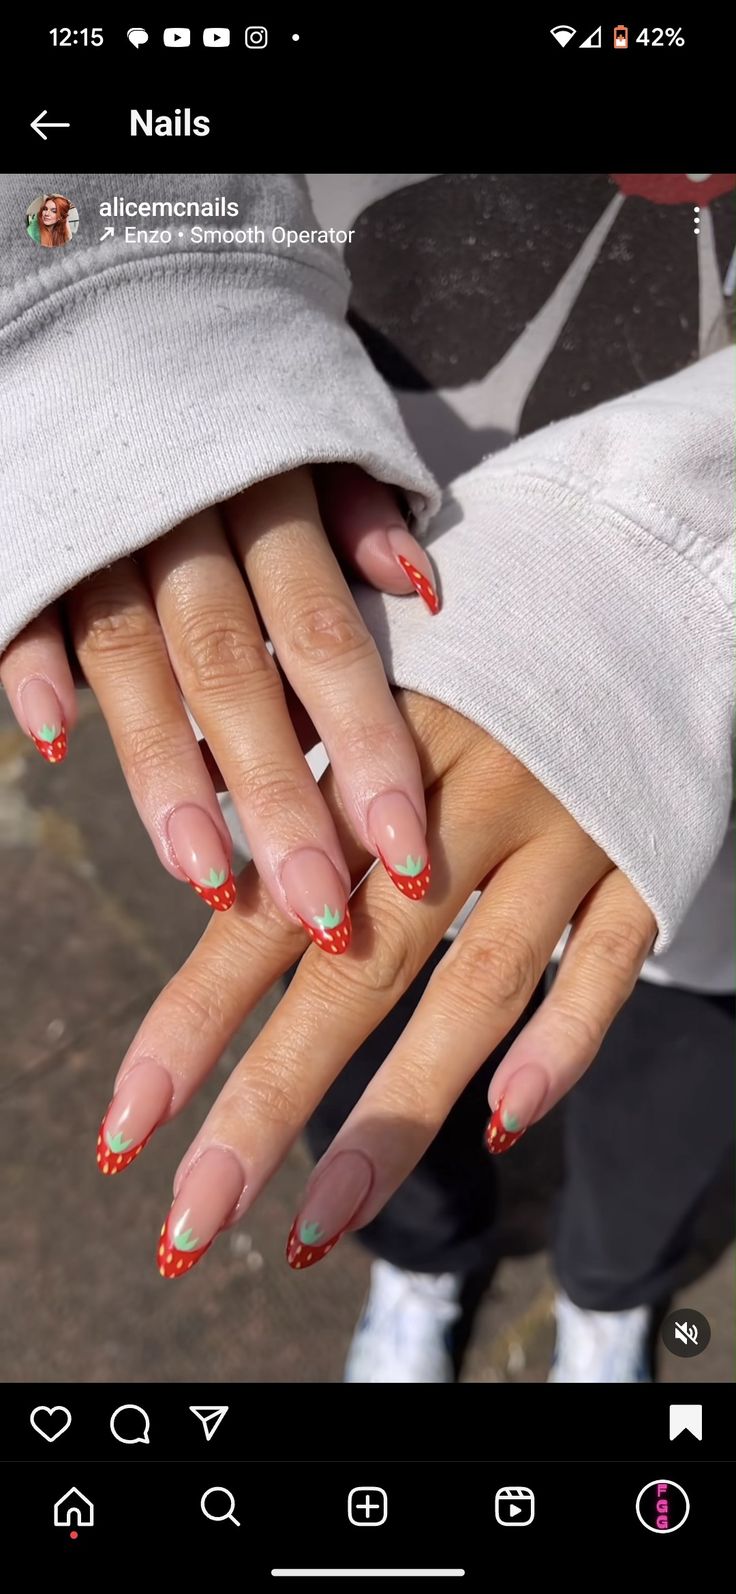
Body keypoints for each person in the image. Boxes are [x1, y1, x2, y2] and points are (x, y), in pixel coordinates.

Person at [1, 172, 733, 1381]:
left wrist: (683, 535)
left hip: (697, 723)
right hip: (305, 591)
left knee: (662, 1071)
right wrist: (102, 321)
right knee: (344, 1012)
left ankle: (613, 1298)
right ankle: (424, 1256)